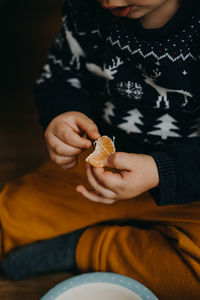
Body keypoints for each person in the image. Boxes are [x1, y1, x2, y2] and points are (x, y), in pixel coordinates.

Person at [1, 0, 200, 299]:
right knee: (11, 219)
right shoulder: (87, 11)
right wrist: (61, 115)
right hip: (90, 175)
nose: (110, 0)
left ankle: (88, 246)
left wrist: (163, 171)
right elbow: (60, 77)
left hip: (188, 189)